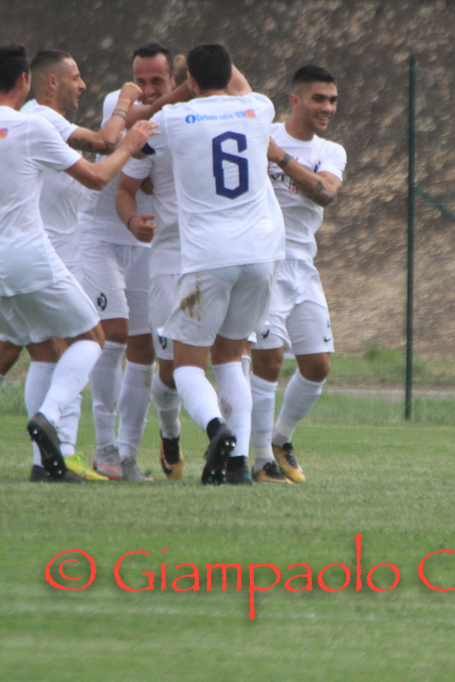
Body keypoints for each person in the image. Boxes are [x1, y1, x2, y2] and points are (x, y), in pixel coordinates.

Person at [0, 44, 155, 482]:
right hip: (28, 257)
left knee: (37, 350)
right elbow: (98, 176)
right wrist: (131, 143)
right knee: (91, 338)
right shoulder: (30, 126)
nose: (81, 84)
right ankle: (49, 419)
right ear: (26, 81)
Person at [133, 43, 285, 485]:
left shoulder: (173, 118)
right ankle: (237, 465)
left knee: (186, 366)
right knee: (232, 357)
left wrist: (178, 93)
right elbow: (239, 87)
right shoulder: (259, 108)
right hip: (261, 254)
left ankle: (217, 429)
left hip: (209, 255)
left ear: (190, 80)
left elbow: (135, 137)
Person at [79, 43, 189, 481]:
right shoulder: (120, 104)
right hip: (100, 238)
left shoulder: (180, 119)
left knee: (144, 349)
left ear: (172, 79)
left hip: (145, 243)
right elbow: (140, 145)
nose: (146, 88)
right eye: (139, 80)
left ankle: (127, 455)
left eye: (157, 81)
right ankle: (104, 447)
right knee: (115, 333)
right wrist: (177, 95)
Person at [249, 65, 346, 483]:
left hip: (303, 266)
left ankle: (280, 438)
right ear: (295, 99)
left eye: (332, 100)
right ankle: (259, 461)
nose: (327, 107)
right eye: (318, 98)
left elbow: (326, 192)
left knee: (318, 366)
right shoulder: (262, 134)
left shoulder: (330, 151)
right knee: (268, 361)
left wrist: (282, 160)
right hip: (264, 261)